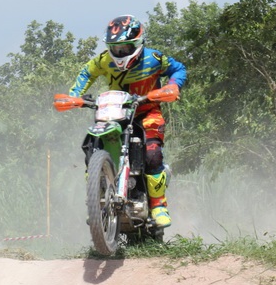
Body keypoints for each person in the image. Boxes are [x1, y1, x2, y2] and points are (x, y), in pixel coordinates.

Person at [68, 14, 187, 228]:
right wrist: (75, 95)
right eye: (115, 48)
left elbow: (178, 69)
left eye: (124, 47)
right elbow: (86, 73)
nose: (120, 52)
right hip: (115, 113)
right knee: (92, 144)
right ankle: (97, 200)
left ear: (138, 43)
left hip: (147, 111)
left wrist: (172, 86)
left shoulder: (155, 58)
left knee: (152, 153)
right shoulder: (104, 60)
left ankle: (159, 204)